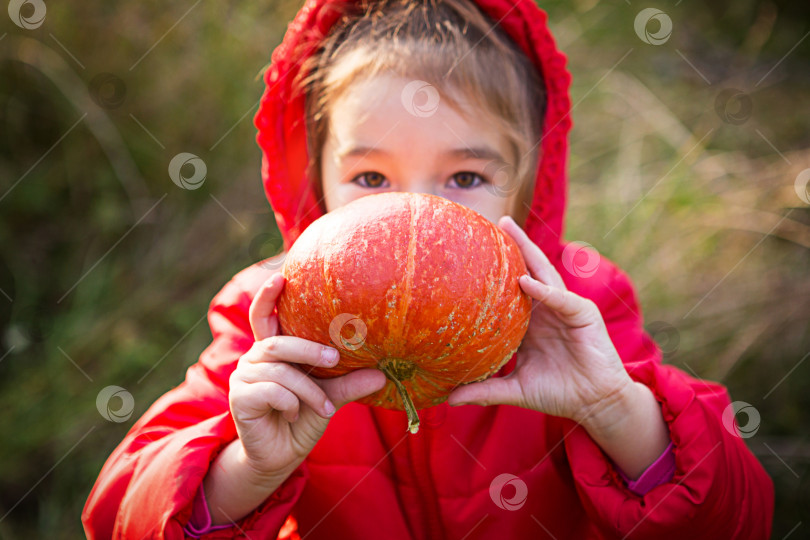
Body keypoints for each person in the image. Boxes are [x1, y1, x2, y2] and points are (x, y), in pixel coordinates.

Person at [82, 0, 775, 537]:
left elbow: (739, 521)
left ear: (526, 191)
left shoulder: (573, 308)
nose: (416, 215)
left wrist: (613, 411)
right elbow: (116, 515)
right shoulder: (268, 319)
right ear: (315, 185)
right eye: (372, 176)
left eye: (466, 176)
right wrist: (248, 468)